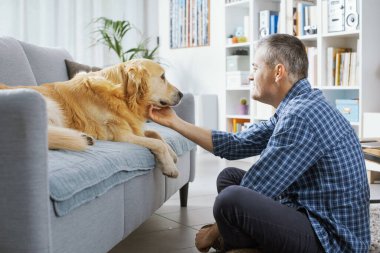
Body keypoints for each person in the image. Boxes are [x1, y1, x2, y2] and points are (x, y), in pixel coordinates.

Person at [148, 34, 370, 253]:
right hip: (309, 209)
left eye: (255, 68)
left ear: (278, 72)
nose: (250, 77)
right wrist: (173, 121)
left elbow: (262, 184)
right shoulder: (296, 105)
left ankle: (239, 243)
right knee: (229, 178)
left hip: (332, 240)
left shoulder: (301, 115)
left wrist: (213, 232)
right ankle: (247, 246)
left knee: (230, 200)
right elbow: (236, 144)